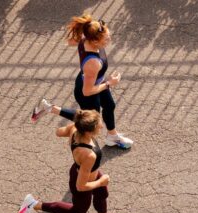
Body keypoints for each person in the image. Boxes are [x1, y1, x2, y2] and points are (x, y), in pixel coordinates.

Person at [31, 15, 133, 149]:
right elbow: (87, 91)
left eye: (108, 35)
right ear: (95, 41)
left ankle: (112, 137)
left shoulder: (86, 38)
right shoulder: (93, 63)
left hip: (95, 81)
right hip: (87, 90)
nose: (110, 39)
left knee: (109, 105)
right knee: (90, 119)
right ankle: (48, 107)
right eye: (106, 38)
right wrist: (109, 84)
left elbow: (71, 42)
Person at [18, 109, 126, 213]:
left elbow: (59, 132)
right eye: (99, 125)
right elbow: (81, 186)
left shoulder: (75, 129)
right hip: (83, 179)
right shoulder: (88, 155)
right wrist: (101, 182)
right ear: (89, 131)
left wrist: (73, 128)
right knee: (78, 211)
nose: (101, 126)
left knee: (102, 194)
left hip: (87, 171)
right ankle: (33, 204)